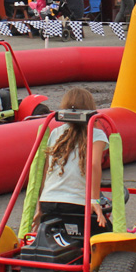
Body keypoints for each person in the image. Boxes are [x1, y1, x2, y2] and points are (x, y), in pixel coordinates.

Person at [32, 87, 111, 238]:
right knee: (106, 235)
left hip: (49, 202)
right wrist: (94, 200)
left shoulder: (56, 133)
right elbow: (94, 165)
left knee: (62, 236)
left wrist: (40, 206)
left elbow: (46, 171)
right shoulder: (96, 134)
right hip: (77, 205)